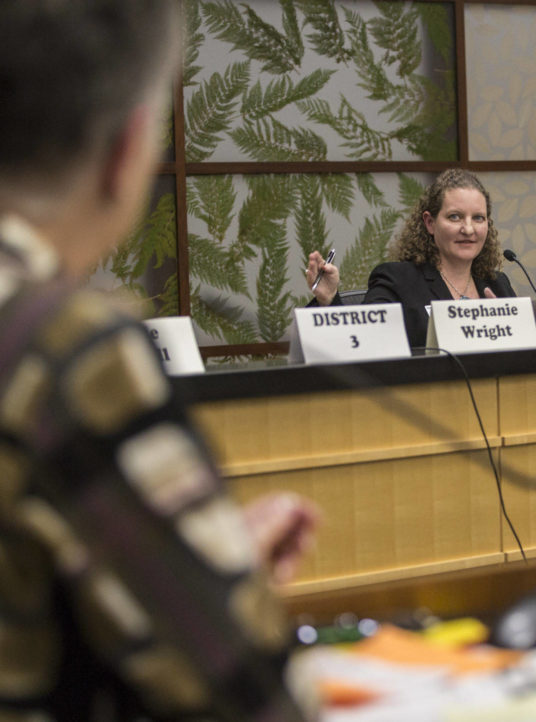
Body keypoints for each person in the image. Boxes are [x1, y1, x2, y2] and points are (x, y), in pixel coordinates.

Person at [0, 2, 317, 720]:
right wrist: (219, 585)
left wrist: (188, 551)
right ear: (126, 150)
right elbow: (249, 697)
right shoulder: (67, 349)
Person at [306, 168, 516, 346]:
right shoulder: (399, 281)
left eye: (478, 218)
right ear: (430, 223)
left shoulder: (497, 285)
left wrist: (508, 332)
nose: (468, 229)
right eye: (455, 217)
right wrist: (329, 300)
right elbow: (362, 343)